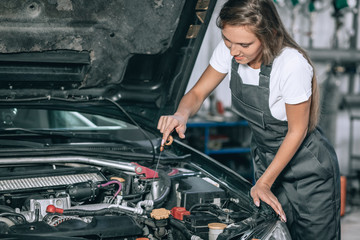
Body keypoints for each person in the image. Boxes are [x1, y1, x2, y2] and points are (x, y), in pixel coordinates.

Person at [157, 0, 341, 239]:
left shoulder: (292, 65)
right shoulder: (231, 50)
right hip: (267, 161)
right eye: (227, 40)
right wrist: (181, 114)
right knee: (269, 233)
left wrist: (264, 183)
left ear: (270, 35)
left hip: (309, 171)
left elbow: (297, 131)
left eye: (244, 44)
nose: (233, 51)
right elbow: (197, 93)